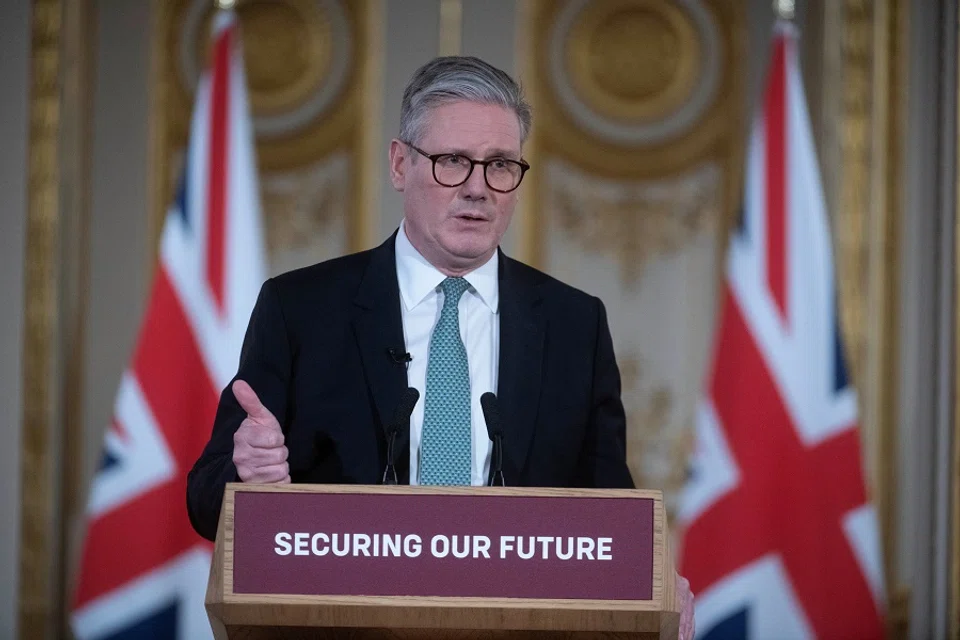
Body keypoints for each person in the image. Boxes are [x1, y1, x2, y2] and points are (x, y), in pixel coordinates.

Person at [186, 55, 693, 637]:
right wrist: (246, 476)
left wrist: (650, 579)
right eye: (453, 161)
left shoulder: (573, 323)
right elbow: (205, 502)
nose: (478, 188)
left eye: (501, 165)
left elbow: (609, 515)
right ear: (401, 164)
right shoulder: (301, 309)